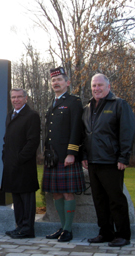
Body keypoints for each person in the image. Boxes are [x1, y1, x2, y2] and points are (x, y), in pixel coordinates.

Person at [82, 74, 135, 247]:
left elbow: (127, 132)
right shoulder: (88, 107)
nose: (96, 88)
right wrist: (84, 156)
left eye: (99, 85)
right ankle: (105, 232)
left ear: (108, 86)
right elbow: (84, 134)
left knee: (115, 199)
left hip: (112, 161)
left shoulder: (119, 105)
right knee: (99, 200)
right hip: (93, 161)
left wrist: (123, 157)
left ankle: (122, 235)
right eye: (93, 85)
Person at [42, 67, 85, 242]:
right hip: (52, 156)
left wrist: (71, 153)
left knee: (68, 193)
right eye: (53, 80)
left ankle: (68, 230)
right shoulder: (51, 103)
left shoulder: (74, 102)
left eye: (59, 79)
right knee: (56, 193)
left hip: (66, 155)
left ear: (67, 82)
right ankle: (62, 227)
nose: (55, 83)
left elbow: (77, 128)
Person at [2, 88, 40, 239]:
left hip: (24, 165)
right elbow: (7, 139)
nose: (16, 100)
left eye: (19, 97)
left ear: (26, 98)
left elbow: (33, 142)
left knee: (27, 198)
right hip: (11, 164)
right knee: (16, 198)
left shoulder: (32, 116)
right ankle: (19, 226)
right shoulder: (10, 115)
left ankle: (27, 229)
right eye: (13, 97)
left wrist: (19, 158)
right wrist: (5, 157)